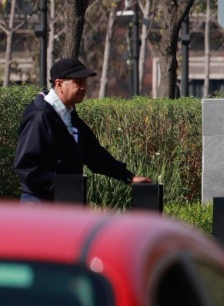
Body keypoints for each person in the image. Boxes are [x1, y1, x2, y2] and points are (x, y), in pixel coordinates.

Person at [14, 58, 152, 202]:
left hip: (64, 202)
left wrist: (128, 176)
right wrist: (63, 187)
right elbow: (26, 167)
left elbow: (94, 154)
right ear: (59, 84)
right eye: (78, 82)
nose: (84, 87)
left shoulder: (68, 113)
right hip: (40, 205)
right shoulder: (39, 116)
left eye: (85, 82)